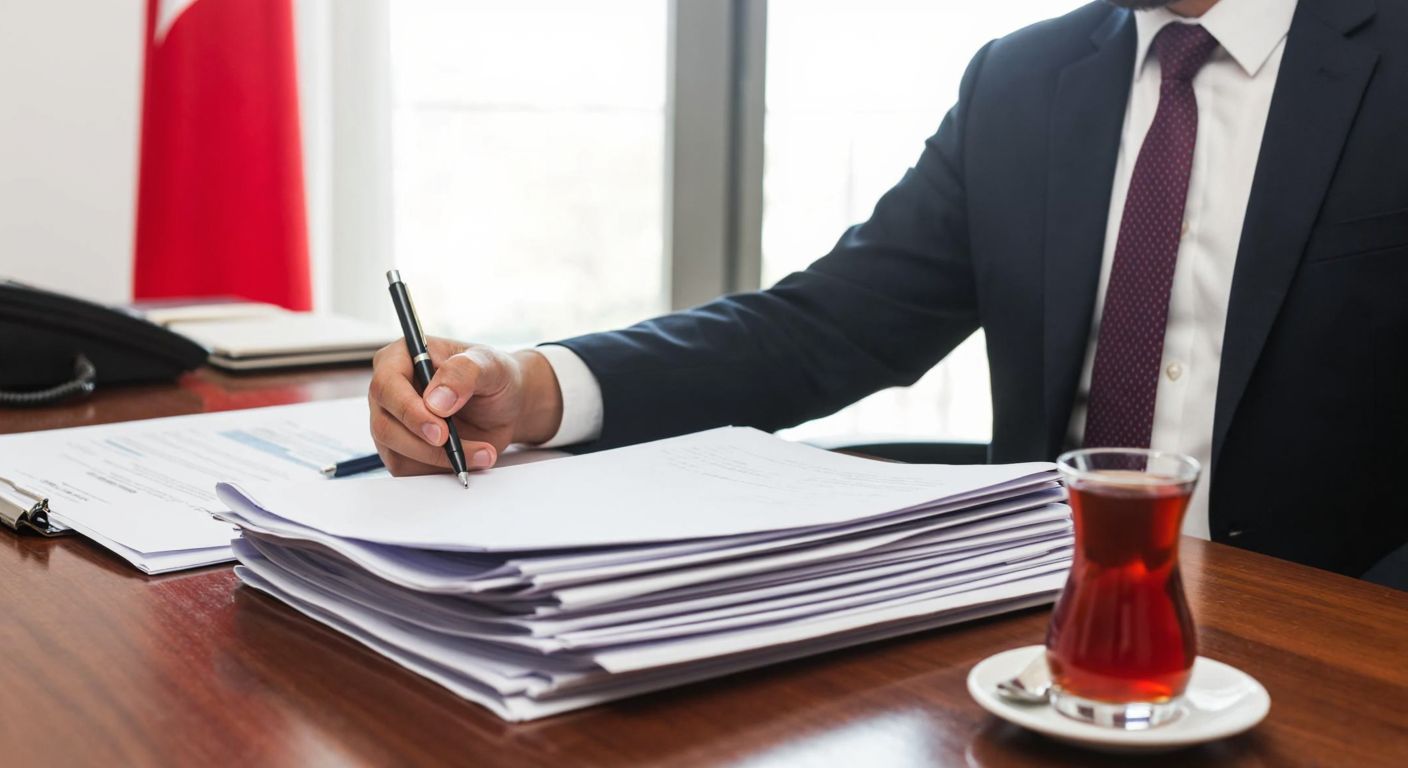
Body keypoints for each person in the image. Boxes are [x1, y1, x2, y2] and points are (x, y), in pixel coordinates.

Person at [368, 0, 1408, 588]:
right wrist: (539, 386)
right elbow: (829, 326)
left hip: (1338, 658)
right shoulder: (1023, 78)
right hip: (1038, 641)